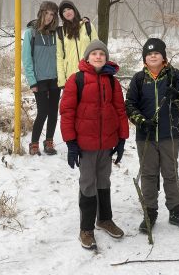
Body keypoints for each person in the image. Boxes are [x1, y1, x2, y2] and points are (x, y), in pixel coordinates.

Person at [59, 39, 129, 250]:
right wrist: (71, 142)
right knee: (88, 183)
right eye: (94, 53)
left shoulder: (112, 82)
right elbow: (67, 112)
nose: (98, 56)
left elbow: (120, 110)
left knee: (104, 181)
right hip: (86, 145)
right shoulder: (76, 80)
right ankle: (86, 228)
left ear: (106, 58)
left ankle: (104, 219)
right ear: (87, 57)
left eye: (102, 54)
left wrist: (121, 139)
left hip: (107, 143)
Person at [125, 38, 179, 235]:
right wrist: (141, 121)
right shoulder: (138, 79)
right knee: (148, 174)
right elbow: (129, 105)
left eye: (156, 53)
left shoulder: (173, 76)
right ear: (144, 59)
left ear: (163, 56)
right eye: (149, 54)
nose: (153, 55)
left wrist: (177, 96)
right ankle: (150, 211)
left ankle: (175, 210)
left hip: (169, 134)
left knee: (170, 173)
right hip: (145, 136)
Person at [22, 1, 60, 156]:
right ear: (41, 12)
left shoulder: (56, 33)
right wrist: (32, 81)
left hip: (56, 78)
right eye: (47, 13)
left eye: (52, 14)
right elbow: (27, 59)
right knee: (43, 111)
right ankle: (34, 143)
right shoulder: (30, 33)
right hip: (40, 79)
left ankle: (49, 141)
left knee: (53, 111)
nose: (49, 17)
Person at [56, 0, 97, 88]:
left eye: (69, 9)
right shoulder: (61, 32)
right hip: (71, 77)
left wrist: (97, 71)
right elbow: (59, 57)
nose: (67, 12)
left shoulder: (87, 26)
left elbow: (97, 49)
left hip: (89, 74)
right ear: (62, 15)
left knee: (89, 101)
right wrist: (62, 80)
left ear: (74, 10)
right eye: (63, 11)